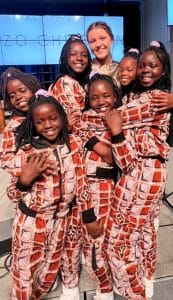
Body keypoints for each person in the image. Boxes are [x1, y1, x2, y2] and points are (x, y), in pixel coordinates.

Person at [102, 41, 171, 300]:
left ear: (164, 71)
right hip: (144, 172)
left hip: (142, 174)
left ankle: (135, 294)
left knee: (116, 243)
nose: (144, 70)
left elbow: (111, 117)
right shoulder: (139, 95)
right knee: (143, 235)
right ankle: (144, 282)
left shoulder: (154, 98)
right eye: (142, 65)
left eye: (152, 66)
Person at [6, 94, 92, 300]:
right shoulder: (26, 152)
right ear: (32, 124)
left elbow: (82, 183)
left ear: (62, 117)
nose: (48, 125)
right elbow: (12, 194)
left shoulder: (73, 144)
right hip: (31, 223)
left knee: (49, 270)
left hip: (61, 222)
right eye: (40, 121)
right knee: (24, 272)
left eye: (53, 118)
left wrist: (89, 216)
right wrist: (24, 180)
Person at [49, 34, 92, 299]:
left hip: (75, 158)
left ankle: (66, 275)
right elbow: (77, 126)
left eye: (83, 55)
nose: (79, 58)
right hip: (72, 161)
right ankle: (70, 282)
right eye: (74, 54)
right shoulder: (66, 83)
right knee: (71, 225)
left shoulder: (79, 83)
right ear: (65, 58)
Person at [78, 73, 121, 300]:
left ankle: (113, 282)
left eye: (106, 95)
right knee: (93, 243)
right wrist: (98, 146)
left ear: (115, 96)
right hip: (90, 191)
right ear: (88, 99)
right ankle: (103, 288)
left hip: (113, 191)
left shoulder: (121, 118)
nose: (101, 101)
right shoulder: (83, 120)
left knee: (109, 242)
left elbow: (123, 157)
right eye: (95, 97)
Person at [0, 67, 43, 170]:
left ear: (34, 90)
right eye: (12, 95)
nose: (18, 97)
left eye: (23, 90)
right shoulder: (13, 127)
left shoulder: (45, 115)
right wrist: (29, 161)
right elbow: (5, 160)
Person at [86, 21, 119, 86]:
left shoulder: (121, 69)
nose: (98, 44)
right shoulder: (85, 71)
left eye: (102, 38)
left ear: (112, 39)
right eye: (92, 41)